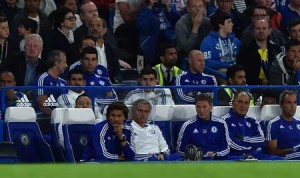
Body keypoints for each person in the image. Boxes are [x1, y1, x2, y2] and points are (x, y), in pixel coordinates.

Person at [221, 90, 280, 160]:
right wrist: (250, 146)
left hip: (254, 155)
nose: (243, 105)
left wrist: (243, 139)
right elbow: (231, 144)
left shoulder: (252, 121)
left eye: (246, 103)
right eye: (240, 102)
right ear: (233, 103)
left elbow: (261, 140)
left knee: (279, 160)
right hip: (235, 156)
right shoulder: (224, 121)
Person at [176, 94, 230, 160]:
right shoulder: (187, 125)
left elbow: (226, 149)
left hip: (216, 162)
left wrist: (215, 155)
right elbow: (179, 150)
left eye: (204, 107)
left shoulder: (221, 124)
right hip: (195, 164)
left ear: (211, 107)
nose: (201, 110)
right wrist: (192, 155)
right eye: (198, 107)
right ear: (195, 107)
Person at [136, 0, 180, 66]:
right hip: (152, 47)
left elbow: (177, 23)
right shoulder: (144, 11)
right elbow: (144, 28)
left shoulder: (168, 8)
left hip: (169, 43)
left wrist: (168, 8)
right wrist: (150, 8)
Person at [237, 19, 281, 85]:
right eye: (258, 28)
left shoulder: (276, 49)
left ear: (269, 31)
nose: (261, 31)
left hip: (274, 85)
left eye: (264, 28)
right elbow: (243, 71)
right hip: (253, 86)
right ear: (254, 31)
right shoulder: (245, 50)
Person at [175, 0, 212, 66]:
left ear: (204, 8)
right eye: (194, 7)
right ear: (188, 8)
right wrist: (195, 27)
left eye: (200, 6)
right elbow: (185, 49)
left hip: (205, 57)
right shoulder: (180, 24)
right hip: (187, 58)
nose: (198, 9)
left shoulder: (209, 22)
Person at [266, 90, 300, 160]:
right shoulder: (274, 124)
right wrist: (293, 150)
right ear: (281, 104)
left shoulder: (299, 122)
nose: (292, 106)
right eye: (289, 102)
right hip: (286, 158)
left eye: (295, 102)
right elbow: (272, 151)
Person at [33, 50, 68, 117]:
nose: (66, 65)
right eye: (64, 62)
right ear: (56, 64)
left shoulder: (64, 82)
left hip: (61, 118)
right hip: (43, 118)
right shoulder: (43, 79)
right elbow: (42, 105)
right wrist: (56, 116)